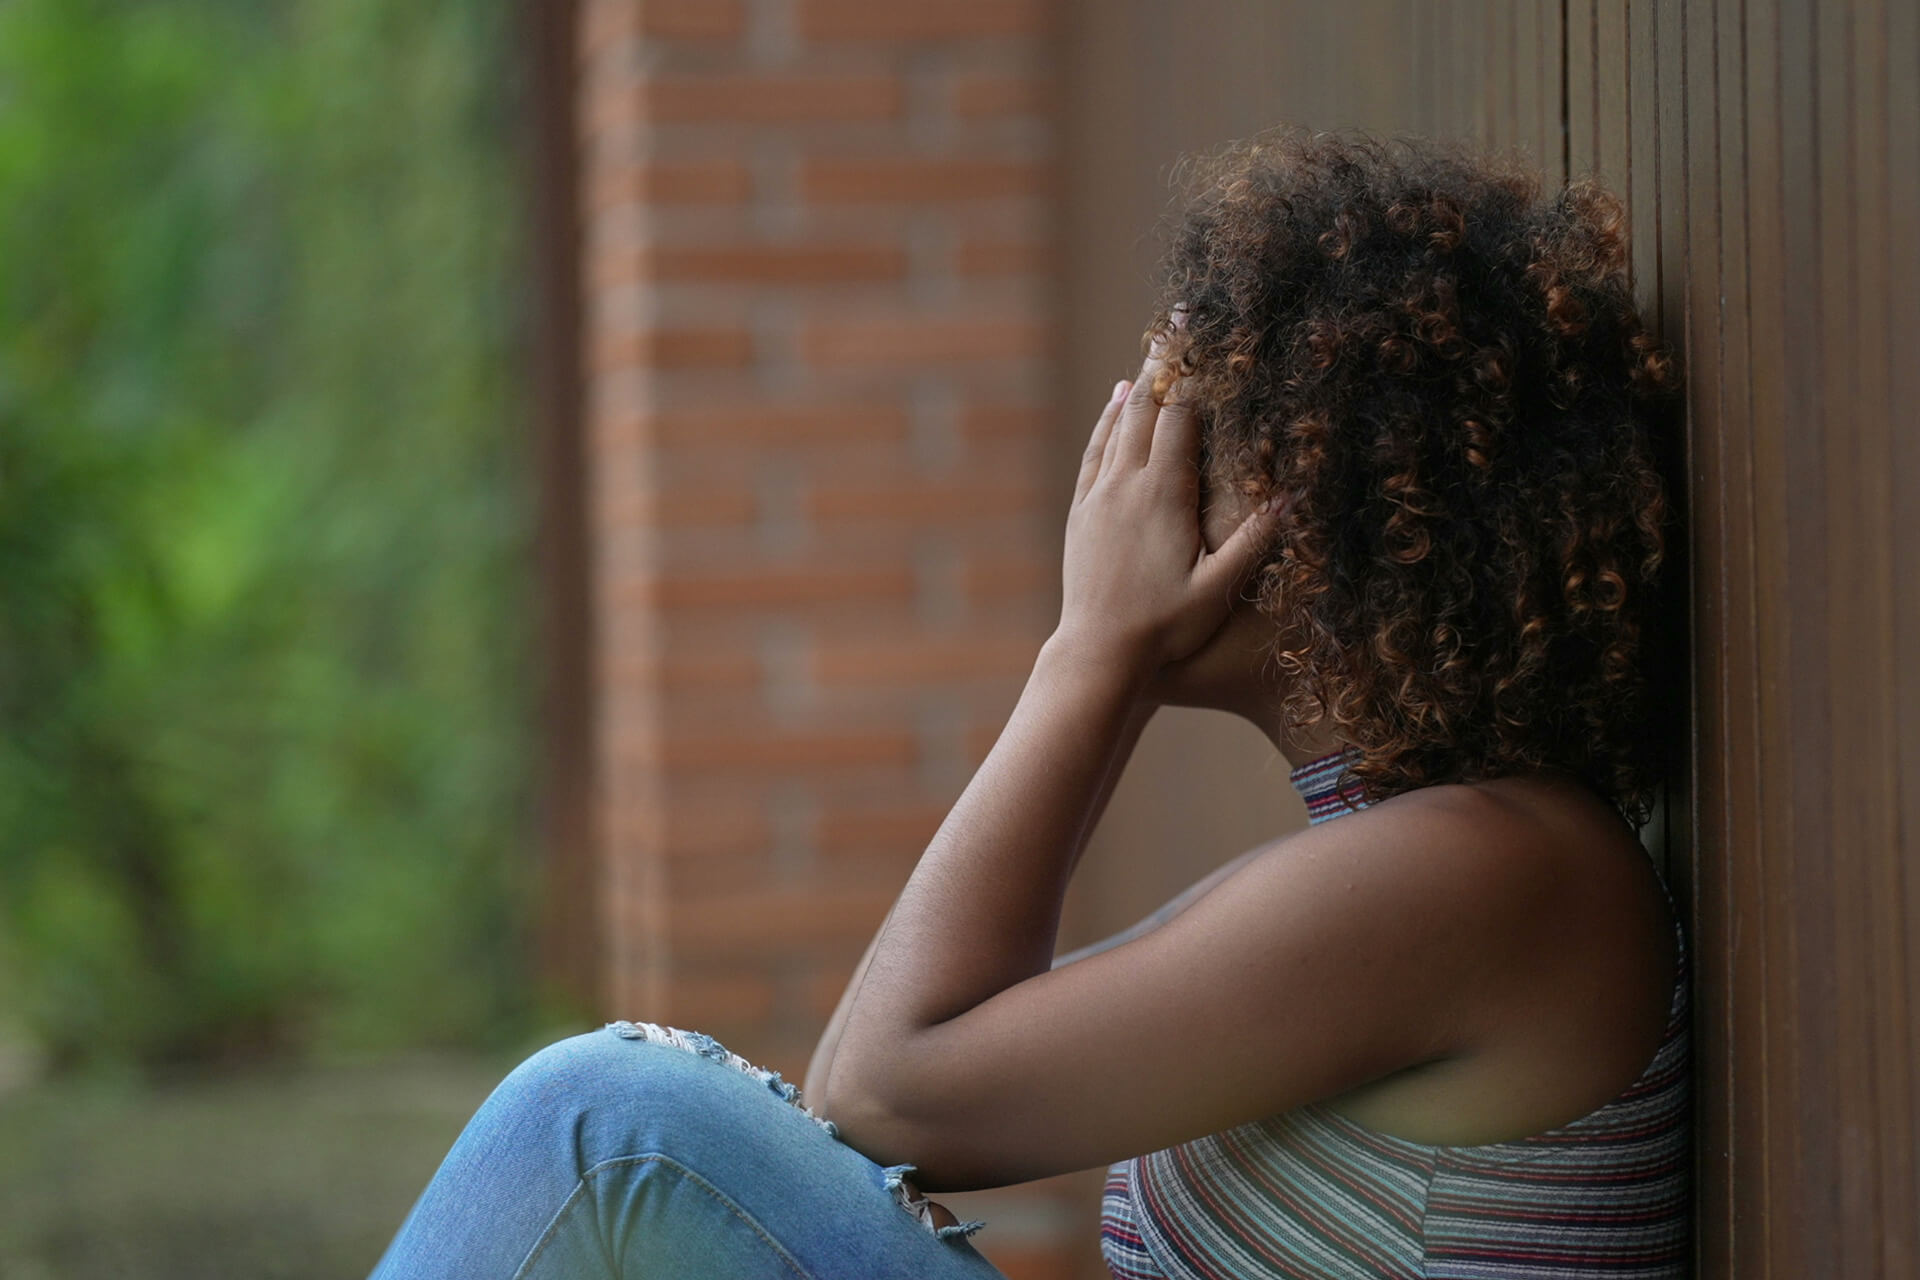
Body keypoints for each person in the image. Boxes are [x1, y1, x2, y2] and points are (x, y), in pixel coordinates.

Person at [369, 130, 1687, 1280]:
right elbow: (921, 1072)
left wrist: (1091, 653)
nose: (1130, 472)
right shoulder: (1435, 862)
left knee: (608, 1128)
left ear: (1332, 514)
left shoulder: (1488, 873)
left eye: (1193, 430)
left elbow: (887, 1094)